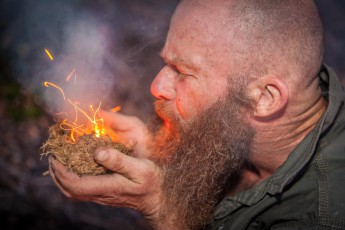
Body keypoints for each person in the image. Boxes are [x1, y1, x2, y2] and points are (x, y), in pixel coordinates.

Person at [48, 0, 345, 229]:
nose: (156, 86)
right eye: (166, 64)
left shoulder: (320, 216)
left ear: (265, 98)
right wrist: (156, 150)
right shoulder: (248, 129)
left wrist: (163, 210)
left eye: (182, 71)